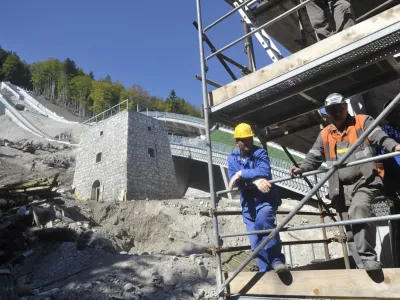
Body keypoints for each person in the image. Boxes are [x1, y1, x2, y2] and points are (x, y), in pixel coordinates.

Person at [290, 93, 400, 271]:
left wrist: (394, 146)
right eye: (332, 110)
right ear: (327, 112)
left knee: (359, 209)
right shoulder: (325, 134)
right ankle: (361, 267)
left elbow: (378, 136)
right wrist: (302, 167)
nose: (336, 112)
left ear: (345, 107)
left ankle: (368, 258)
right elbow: (314, 156)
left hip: (365, 180)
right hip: (340, 188)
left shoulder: (362, 121)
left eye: (339, 108)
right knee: (348, 229)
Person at [228, 123, 287, 273]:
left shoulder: (260, 153)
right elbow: (233, 181)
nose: (248, 143)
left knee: (263, 223)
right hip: (248, 206)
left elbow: (264, 171)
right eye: (244, 140)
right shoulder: (232, 158)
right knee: (255, 243)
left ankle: (276, 261)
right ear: (237, 142)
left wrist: (242, 174)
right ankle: (265, 271)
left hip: (265, 200)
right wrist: (254, 180)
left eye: (249, 139)